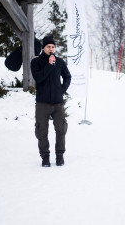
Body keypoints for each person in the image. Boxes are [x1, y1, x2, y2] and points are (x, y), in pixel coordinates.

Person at [31, 35, 71, 167]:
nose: (51, 49)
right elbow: (39, 78)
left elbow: (67, 76)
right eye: (48, 46)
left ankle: (60, 156)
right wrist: (49, 65)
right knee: (41, 131)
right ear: (43, 48)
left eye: (53, 46)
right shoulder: (36, 62)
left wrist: (62, 89)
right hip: (43, 103)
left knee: (61, 130)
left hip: (57, 103)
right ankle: (45, 158)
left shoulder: (59, 62)